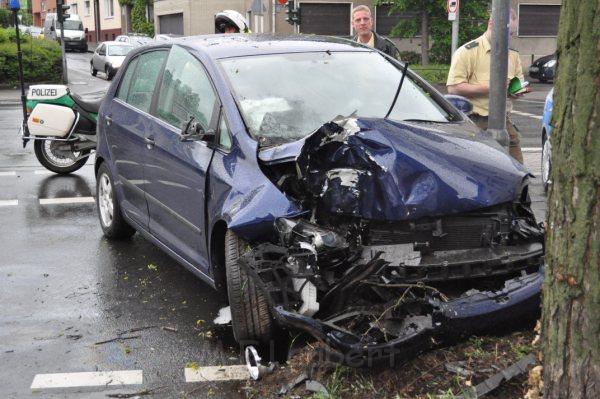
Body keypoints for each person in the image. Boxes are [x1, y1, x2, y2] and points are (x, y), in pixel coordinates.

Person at [446, 9, 526, 164]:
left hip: (504, 121)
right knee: (478, 168)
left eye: (513, 34)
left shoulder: (513, 55)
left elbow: (519, 84)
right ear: (491, 24)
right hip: (475, 122)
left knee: (518, 171)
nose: (511, 38)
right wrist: (491, 87)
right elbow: (453, 88)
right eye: (509, 33)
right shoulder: (467, 52)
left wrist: (517, 91)